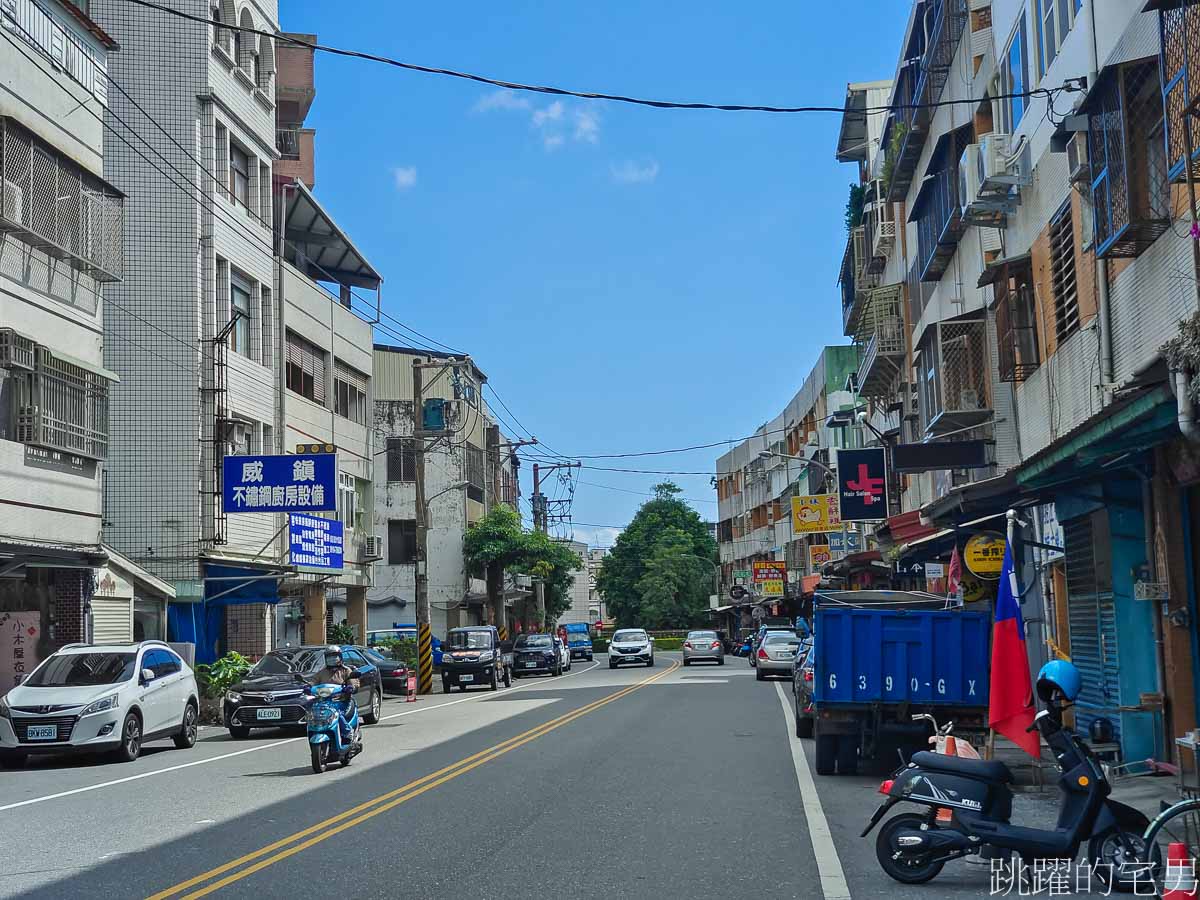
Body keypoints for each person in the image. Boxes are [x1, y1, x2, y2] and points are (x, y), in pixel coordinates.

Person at [309, 646, 360, 745]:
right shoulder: (321, 672)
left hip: (341, 701)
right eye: (329, 657)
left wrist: (350, 688)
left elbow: (353, 683)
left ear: (340, 657)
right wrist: (308, 687)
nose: (332, 659)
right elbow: (313, 681)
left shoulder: (346, 671)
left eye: (335, 656)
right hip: (323, 702)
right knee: (313, 713)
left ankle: (347, 732)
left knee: (336, 713)